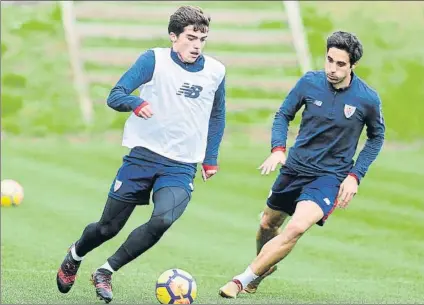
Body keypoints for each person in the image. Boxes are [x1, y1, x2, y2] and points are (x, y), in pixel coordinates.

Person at [56, 5, 226, 303]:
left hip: (181, 164)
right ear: (174, 36)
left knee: (162, 220)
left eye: (203, 39)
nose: (197, 45)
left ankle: (106, 271)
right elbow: (115, 95)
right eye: (190, 38)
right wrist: (135, 103)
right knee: (107, 227)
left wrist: (210, 158)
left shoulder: (216, 71)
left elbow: (217, 115)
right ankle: (75, 255)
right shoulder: (154, 60)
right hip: (142, 158)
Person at [219, 31, 385, 298]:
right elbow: (283, 114)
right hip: (295, 168)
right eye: (329, 60)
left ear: (353, 65)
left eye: (340, 64)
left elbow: (377, 137)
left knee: (296, 227)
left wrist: (355, 176)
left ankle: (241, 280)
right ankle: (262, 268)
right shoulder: (310, 82)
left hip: (329, 177)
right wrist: (278, 149)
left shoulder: (367, 99)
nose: (332, 68)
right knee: (267, 225)